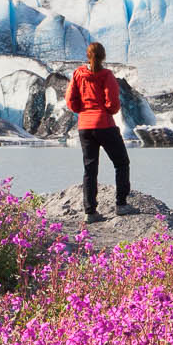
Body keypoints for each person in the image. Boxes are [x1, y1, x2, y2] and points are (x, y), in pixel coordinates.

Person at [66, 42, 130, 220]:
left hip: (85, 127)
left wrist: (83, 111)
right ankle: (121, 204)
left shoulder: (78, 74)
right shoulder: (106, 75)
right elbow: (113, 103)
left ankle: (90, 212)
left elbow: (71, 100)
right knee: (121, 163)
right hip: (104, 124)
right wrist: (106, 111)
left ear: (88, 56)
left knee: (90, 168)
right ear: (103, 56)